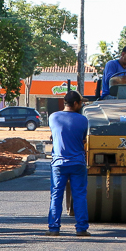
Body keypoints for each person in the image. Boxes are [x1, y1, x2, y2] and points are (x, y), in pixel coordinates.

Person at [47, 90, 90, 236]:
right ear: (76, 103)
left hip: (58, 163)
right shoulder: (83, 120)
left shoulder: (53, 117)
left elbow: (54, 135)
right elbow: (83, 138)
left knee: (56, 195)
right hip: (78, 163)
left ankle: (54, 228)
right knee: (79, 195)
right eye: (81, 103)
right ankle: (81, 228)